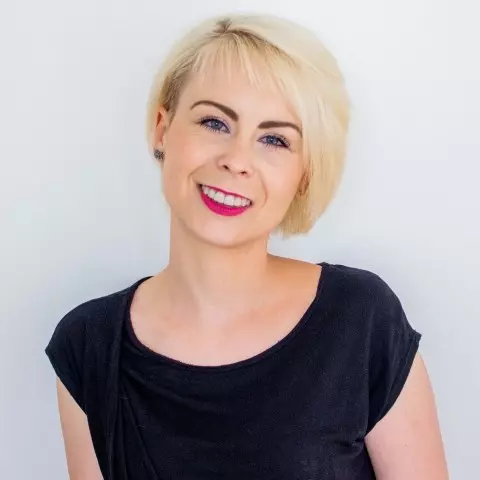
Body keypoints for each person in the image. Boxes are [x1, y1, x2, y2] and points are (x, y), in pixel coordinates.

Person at [45, 12, 449, 480]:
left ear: (304, 175)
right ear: (162, 129)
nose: (237, 160)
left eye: (274, 139)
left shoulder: (362, 320)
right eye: (215, 122)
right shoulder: (88, 346)